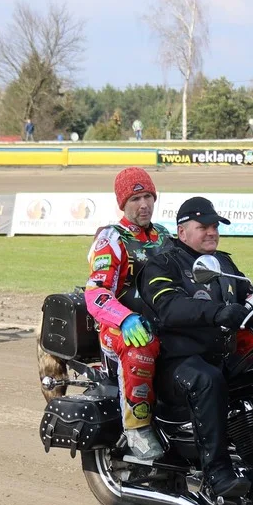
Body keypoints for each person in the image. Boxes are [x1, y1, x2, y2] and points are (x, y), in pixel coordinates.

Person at [140, 197, 253, 500]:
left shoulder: (223, 263)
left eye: (215, 227)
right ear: (182, 230)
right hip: (177, 362)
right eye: (203, 227)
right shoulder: (164, 262)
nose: (212, 232)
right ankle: (217, 474)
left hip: (222, 356)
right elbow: (167, 306)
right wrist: (216, 313)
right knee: (207, 380)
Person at [84, 167, 171, 460]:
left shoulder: (165, 237)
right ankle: (138, 428)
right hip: (119, 327)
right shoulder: (112, 238)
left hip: (165, 319)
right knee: (141, 346)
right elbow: (95, 293)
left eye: (148, 196)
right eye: (135, 198)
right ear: (123, 203)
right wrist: (125, 318)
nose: (144, 204)